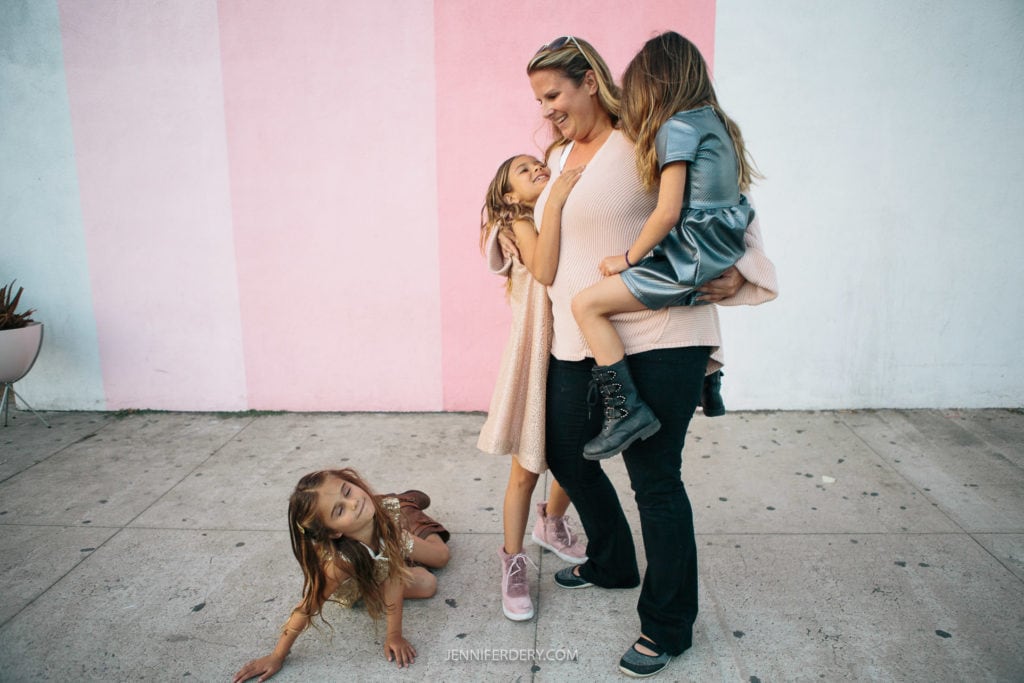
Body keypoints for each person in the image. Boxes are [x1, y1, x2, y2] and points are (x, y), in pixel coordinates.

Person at [526, 34, 777, 678]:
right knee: (565, 452)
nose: (547, 109)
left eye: (555, 94)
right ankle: (612, 560)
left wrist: (739, 278)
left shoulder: (647, 137)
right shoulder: (557, 158)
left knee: (655, 480)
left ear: (591, 82)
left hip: (661, 334)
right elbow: (551, 258)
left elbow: (728, 217)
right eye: (539, 100)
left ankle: (667, 626)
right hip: (578, 335)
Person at [570, 31, 758, 460]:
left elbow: (667, 212)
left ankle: (626, 410)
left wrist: (628, 258)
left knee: (586, 305)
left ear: (656, 84)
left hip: (687, 256)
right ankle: (708, 383)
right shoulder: (717, 122)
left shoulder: (677, 127)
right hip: (714, 251)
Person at [477, 154, 588, 622]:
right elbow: (544, 272)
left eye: (536, 164)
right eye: (524, 171)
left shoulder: (545, 215)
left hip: (567, 346)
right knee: (525, 468)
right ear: (508, 196)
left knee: (576, 452)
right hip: (534, 356)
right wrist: (558, 195)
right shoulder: (520, 221)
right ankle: (513, 561)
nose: (537, 170)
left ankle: (552, 520)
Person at [233, 468, 450, 682]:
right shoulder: (339, 565)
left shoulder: (383, 517)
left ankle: (406, 505)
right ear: (334, 532)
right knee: (427, 583)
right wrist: (277, 656)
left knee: (441, 557)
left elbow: (394, 579)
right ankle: (405, 516)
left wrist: (394, 633)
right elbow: (307, 607)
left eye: (347, 491)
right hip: (359, 582)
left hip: (388, 534)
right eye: (339, 511)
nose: (353, 503)